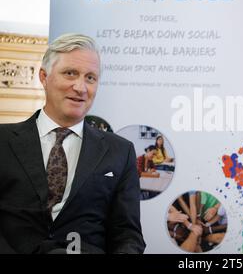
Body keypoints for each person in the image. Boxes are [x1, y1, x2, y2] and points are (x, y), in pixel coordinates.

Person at [0, 33, 145, 254]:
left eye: (90, 78)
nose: (80, 87)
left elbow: (127, 234)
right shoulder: (3, 141)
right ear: (44, 76)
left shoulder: (120, 152)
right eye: (70, 73)